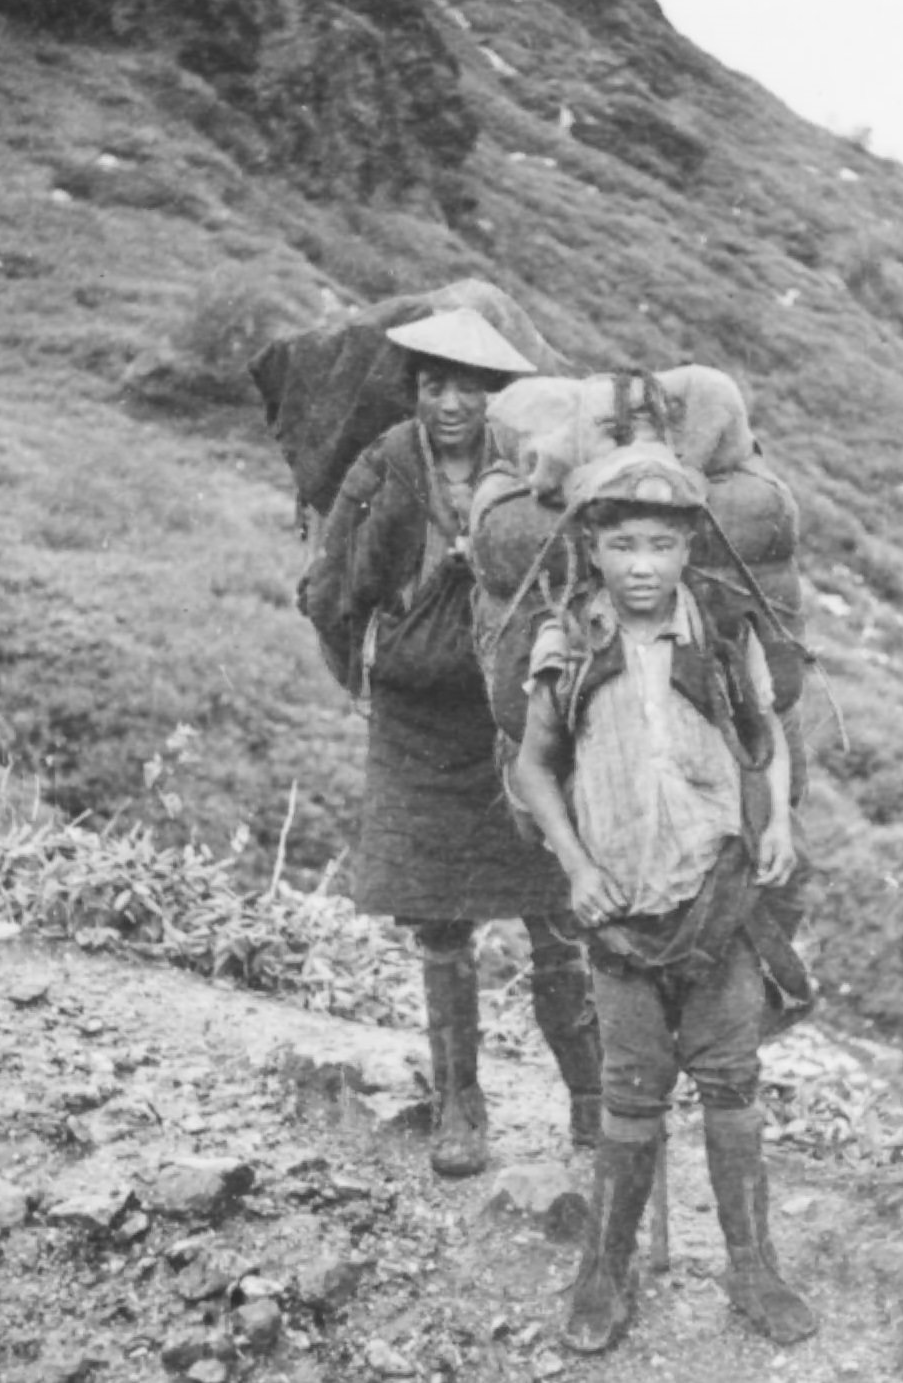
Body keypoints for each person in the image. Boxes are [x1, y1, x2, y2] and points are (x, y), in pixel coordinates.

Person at [514, 443, 817, 1354]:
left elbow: (767, 735)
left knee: (731, 1085)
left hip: (717, 899)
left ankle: (752, 1266)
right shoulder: (569, 636)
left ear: (689, 545)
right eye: (621, 545)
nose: (641, 566)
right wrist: (572, 860)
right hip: (620, 908)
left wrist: (775, 826)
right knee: (630, 1097)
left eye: (660, 544)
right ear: (593, 547)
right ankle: (604, 1272)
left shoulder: (723, 629)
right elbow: (531, 765)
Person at [303, 307, 601, 1179]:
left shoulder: (527, 465)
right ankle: (460, 1105)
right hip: (417, 722)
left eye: (468, 387)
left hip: (514, 718)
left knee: (556, 910)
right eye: (434, 385)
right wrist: (389, 625)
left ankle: (590, 1097)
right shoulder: (386, 463)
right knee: (439, 923)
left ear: (494, 395)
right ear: (416, 389)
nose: (449, 403)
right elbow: (335, 580)